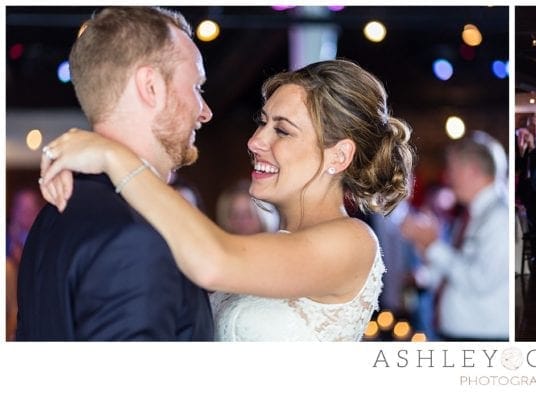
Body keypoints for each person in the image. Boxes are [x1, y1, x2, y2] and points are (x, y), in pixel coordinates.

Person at [37, 57, 414, 341]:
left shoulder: (351, 241)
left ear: (339, 156)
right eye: (262, 122)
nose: (255, 142)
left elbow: (213, 262)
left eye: (282, 131)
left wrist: (114, 156)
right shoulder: (264, 246)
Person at [17, 7, 215, 341]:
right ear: (150, 86)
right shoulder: (135, 234)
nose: (205, 112)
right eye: (197, 87)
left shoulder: (55, 213)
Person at [400, 131, 509, 341]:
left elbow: (479, 280)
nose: (447, 177)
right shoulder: (470, 213)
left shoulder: (499, 217)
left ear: (472, 171)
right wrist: (425, 271)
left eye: (452, 169)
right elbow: (456, 270)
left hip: (483, 338)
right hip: (461, 334)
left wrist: (432, 246)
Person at [6, 189, 43, 341]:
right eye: (21, 209)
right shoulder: (8, 239)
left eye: (29, 209)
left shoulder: (44, 239)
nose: (25, 214)